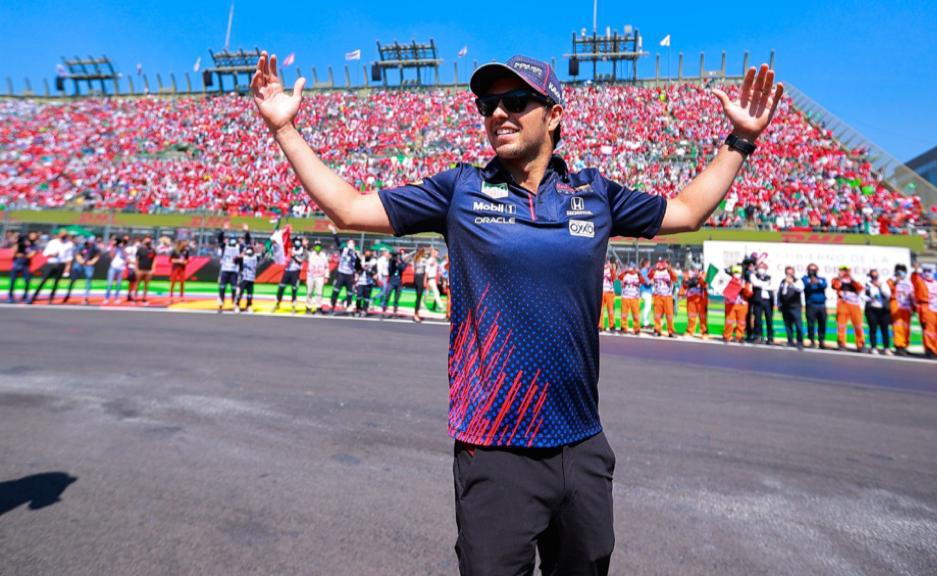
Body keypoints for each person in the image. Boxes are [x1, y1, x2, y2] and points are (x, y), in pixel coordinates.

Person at [251, 49, 783, 574]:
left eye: (516, 101)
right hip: (494, 443)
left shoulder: (594, 193)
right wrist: (285, 130)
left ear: (553, 115)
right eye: (487, 106)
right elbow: (347, 209)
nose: (498, 114)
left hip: (581, 443)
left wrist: (742, 140)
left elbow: (688, 211)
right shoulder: (459, 189)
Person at [29, 230, 75, 304]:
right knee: (43, 281)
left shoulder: (69, 244)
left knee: (56, 283)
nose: (63, 237)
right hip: (51, 264)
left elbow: (69, 257)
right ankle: (33, 297)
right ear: (59, 235)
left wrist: (67, 267)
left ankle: (51, 299)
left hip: (61, 265)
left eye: (65, 235)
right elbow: (45, 254)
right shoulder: (52, 242)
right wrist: (52, 254)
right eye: (62, 235)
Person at [912, 263, 937, 359]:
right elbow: (915, 279)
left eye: (929, 271)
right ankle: (930, 349)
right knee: (929, 331)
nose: (927, 274)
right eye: (925, 271)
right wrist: (916, 270)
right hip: (927, 308)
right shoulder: (920, 282)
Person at [831, 265, 865, 352]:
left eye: (846, 270)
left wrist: (852, 279)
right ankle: (841, 343)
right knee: (841, 325)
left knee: (858, 325)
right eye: (843, 270)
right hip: (843, 303)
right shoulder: (836, 279)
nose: (845, 272)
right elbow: (835, 286)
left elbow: (860, 288)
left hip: (854, 304)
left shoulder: (854, 280)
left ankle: (860, 344)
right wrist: (840, 277)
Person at [217, 225, 249, 313]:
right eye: (231, 239)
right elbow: (219, 238)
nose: (232, 241)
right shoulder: (224, 246)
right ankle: (220, 304)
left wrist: (246, 232)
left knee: (234, 289)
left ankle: (235, 305)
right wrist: (223, 230)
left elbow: (247, 243)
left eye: (234, 239)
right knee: (222, 288)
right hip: (224, 270)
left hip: (234, 271)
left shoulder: (239, 247)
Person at [328, 225, 359, 314]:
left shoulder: (356, 253)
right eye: (349, 243)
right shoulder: (343, 250)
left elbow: (358, 264)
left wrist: (354, 252)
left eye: (352, 243)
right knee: (336, 291)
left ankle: (348, 308)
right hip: (341, 274)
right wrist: (334, 231)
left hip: (350, 275)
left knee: (349, 293)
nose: (351, 244)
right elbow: (338, 241)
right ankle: (332, 307)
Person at [63, 237, 101, 304]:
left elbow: (97, 255)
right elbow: (77, 254)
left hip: (89, 264)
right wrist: (81, 261)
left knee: (88, 279)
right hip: (80, 263)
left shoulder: (95, 247)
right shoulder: (82, 245)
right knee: (73, 279)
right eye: (88, 242)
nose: (89, 243)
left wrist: (92, 262)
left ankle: (86, 298)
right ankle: (67, 294)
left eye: (91, 242)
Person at [888, 264, 916, 356]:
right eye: (899, 271)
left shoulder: (909, 283)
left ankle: (905, 345)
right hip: (897, 306)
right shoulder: (891, 280)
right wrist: (896, 281)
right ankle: (899, 346)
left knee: (906, 328)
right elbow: (889, 291)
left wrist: (913, 305)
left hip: (907, 307)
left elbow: (912, 294)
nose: (901, 273)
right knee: (898, 327)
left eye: (903, 271)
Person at [863, 269, 892, 354]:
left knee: (885, 329)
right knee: (873, 329)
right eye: (873, 276)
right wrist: (870, 299)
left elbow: (888, 295)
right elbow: (862, 295)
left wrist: (880, 287)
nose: (874, 278)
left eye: (876, 276)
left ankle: (886, 348)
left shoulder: (883, 284)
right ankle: (873, 347)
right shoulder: (867, 284)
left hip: (883, 310)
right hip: (872, 309)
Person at [723, 264, 753, 344]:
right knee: (729, 321)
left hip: (742, 303)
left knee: (741, 322)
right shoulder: (728, 281)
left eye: (738, 272)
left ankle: (740, 336)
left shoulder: (744, 282)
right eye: (735, 272)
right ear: (732, 273)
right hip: (730, 303)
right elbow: (723, 290)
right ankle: (727, 336)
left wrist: (744, 289)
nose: (737, 274)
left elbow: (749, 293)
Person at [275, 237, 306, 312]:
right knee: (281, 288)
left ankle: (293, 306)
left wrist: (293, 255)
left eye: (298, 241)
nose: (296, 243)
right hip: (287, 270)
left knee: (294, 289)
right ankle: (278, 303)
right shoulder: (290, 249)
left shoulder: (302, 250)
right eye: (295, 241)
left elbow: (301, 260)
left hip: (295, 271)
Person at [648, 257, 678, 337]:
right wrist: (654, 268)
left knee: (669, 315)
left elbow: (675, 278)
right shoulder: (656, 271)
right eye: (660, 262)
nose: (662, 264)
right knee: (657, 315)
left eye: (664, 262)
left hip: (667, 296)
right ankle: (657, 330)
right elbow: (649, 276)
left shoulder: (669, 271)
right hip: (658, 295)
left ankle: (671, 331)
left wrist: (669, 269)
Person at [7, 230, 38, 303]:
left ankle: (25, 296)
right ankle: (10, 296)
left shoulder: (33, 245)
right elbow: (13, 252)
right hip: (16, 263)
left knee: (27, 281)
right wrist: (17, 245)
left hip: (25, 265)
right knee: (12, 281)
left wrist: (24, 255)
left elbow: (31, 254)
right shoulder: (19, 244)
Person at [776, 265, 804, 349]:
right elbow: (780, 293)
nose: (789, 274)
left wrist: (791, 283)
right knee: (788, 325)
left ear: (793, 273)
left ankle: (799, 342)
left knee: (798, 325)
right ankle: (790, 341)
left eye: (790, 272)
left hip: (795, 306)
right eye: (787, 272)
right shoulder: (782, 281)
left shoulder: (798, 281)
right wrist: (779, 303)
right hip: (785, 306)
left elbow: (800, 289)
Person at [802, 263, 828, 349]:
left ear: (817, 270)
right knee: (811, 324)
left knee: (822, 323)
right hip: (811, 305)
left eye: (814, 270)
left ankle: (821, 340)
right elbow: (805, 287)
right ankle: (811, 340)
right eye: (810, 269)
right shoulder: (805, 279)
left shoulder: (822, 279)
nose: (812, 271)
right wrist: (810, 283)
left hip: (821, 305)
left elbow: (824, 285)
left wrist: (817, 283)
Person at [749, 261, 775, 344]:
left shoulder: (770, 276)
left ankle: (769, 338)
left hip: (768, 301)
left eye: (763, 267)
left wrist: (763, 285)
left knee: (769, 320)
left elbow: (773, 287)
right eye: (760, 267)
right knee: (758, 320)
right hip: (758, 300)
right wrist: (766, 284)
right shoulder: (753, 275)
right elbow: (755, 283)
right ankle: (758, 336)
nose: (761, 269)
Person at [381, 247, 411, 317]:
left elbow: (403, 269)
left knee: (397, 298)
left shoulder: (402, 261)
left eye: (399, 255)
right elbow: (390, 270)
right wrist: (393, 261)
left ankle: (395, 310)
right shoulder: (391, 261)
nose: (397, 256)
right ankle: (384, 309)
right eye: (397, 255)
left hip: (399, 282)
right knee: (387, 295)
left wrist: (399, 262)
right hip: (391, 281)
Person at [236, 245, 265, 313]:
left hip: (251, 279)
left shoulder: (255, 257)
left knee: (250, 294)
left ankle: (249, 306)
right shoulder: (243, 258)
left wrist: (260, 249)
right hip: (243, 278)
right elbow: (236, 260)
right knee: (240, 293)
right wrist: (242, 254)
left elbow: (262, 254)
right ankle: (237, 305)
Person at [682, 266, 709, 338]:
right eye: (694, 268)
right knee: (691, 316)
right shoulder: (688, 274)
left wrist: (700, 277)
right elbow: (684, 285)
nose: (695, 270)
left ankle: (704, 332)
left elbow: (705, 284)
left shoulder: (704, 274)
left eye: (697, 269)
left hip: (701, 299)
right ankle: (690, 331)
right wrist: (681, 293)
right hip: (691, 298)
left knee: (703, 317)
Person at [305, 239, 330, 314]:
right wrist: (305, 245)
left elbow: (326, 266)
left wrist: (326, 276)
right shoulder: (311, 254)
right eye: (316, 246)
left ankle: (318, 307)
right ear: (314, 246)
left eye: (319, 246)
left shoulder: (324, 255)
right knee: (309, 292)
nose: (317, 247)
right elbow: (305, 253)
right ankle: (308, 307)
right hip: (311, 276)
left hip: (320, 277)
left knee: (319, 293)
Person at [618, 262, 643, 335]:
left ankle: (637, 329)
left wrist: (639, 273)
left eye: (632, 268)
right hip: (625, 297)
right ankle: (623, 327)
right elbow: (619, 277)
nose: (631, 269)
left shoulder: (637, 275)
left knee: (636, 314)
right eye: (630, 267)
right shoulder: (625, 275)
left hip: (634, 297)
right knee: (624, 314)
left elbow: (643, 281)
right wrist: (625, 271)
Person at [103, 237, 128, 304]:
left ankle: (116, 298)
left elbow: (126, 257)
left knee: (118, 284)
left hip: (120, 268)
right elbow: (110, 256)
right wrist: (114, 247)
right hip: (113, 267)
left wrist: (122, 248)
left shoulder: (123, 250)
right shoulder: (114, 249)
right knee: (109, 283)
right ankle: (107, 298)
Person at [135, 235, 157, 305]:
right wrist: (136, 269)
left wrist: (153, 269)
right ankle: (135, 297)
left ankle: (144, 297)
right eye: (146, 240)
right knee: (137, 284)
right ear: (144, 241)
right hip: (140, 269)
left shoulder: (152, 250)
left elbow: (154, 260)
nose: (148, 241)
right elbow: (137, 259)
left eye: (149, 240)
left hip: (148, 270)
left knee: (146, 285)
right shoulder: (140, 249)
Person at [354, 249, 374, 317]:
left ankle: (364, 310)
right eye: (366, 254)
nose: (368, 255)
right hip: (361, 282)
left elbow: (373, 271)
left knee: (366, 298)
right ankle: (358, 309)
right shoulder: (361, 260)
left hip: (368, 282)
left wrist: (372, 272)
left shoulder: (373, 261)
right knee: (358, 297)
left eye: (369, 254)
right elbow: (357, 269)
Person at [411, 247, 429, 323]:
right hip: (420, 277)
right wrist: (425, 281)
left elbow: (413, 269)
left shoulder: (415, 259)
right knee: (419, 297)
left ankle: (416, 313)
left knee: (418, 297)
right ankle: (416, 314)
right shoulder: (424, 260)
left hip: (416, 277)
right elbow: (426, 272)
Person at [599, 259, 618, 332]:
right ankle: (600, 326)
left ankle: (612, 325)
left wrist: (612, 269)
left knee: (611, 310)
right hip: (602, 291)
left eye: (608, 263)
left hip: (610, 292)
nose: (607, 264)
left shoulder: (612, 271)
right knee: (600, 310)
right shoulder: (600, 270)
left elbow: (615, 279)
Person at [425, 247, 444, 313]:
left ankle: (423, 303)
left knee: (427, 293)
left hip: (433, 279)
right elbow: (427, 271)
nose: (437, 254)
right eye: (436, 253)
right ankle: (441, 307)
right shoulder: (430, 260)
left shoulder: (434, 260)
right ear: (433, 253)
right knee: (436, 293)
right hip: (431, 279)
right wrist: (425, 280)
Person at [638, 257, 653, 328]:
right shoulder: (644, 270)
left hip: (646, 291)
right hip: (645, 290)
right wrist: (652, 281)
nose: (649, 264)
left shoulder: (644, 270)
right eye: (649, 263)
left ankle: (646, 322)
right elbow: (648, 282)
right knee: (647, 307)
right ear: (646, 263)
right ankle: (645, 323)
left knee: (647, 307)